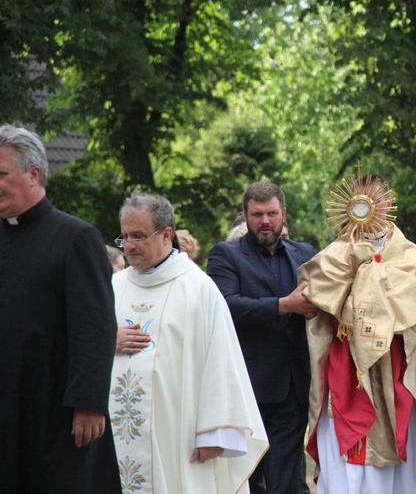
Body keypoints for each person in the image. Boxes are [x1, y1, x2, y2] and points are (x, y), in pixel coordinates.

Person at [109, 192, 269, 493]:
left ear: (167, 234)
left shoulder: (198, 288)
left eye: (139, 236)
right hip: (116, 434)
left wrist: (215, 433)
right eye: (125, 236)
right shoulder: (114, 286)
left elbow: (222, 361)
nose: (129, 245)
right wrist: (105, 341)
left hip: (178, 433)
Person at [299, 172, 416, 493]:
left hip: (396, 363)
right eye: (362, 199)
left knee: (401, 446)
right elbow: (314, 293)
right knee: (346, 445)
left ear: (388, 202)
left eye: (377, 199)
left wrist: (373, 278)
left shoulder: (409, 255)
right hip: (347, 364)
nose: (369, 205)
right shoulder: (336, 254)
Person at [0, 124, 120, 492]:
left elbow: (95, 327)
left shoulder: (76, 237)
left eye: (1, 174)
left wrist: (89, 403)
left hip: (53, 408)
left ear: (33, 174)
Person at [207, 181, 317, 494]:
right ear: (245, 216)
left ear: (283, 214)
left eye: (271, 213)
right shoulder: (226, 255)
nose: (265, 221)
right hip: (247, 384)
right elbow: (225, 305)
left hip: (294, 384)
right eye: (257, 214)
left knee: (285, 480)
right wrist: (285, 305)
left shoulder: (305, 253)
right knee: (245, 479)